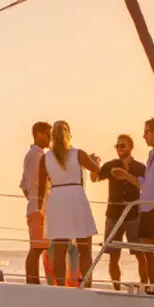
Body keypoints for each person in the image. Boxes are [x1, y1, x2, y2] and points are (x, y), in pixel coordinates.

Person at [112, 117, 154, 290]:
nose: (144, 136)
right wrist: (126, 176)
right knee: (148, 252)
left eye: (146, 132)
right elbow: (146, 184)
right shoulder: (151, 155)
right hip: (146, 207)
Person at [37, 120, 100, 287]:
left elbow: (41, 187)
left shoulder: (45, 158)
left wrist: (39, 209)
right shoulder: (78, 154)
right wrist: (96, 161)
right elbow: (96, 169)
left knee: (59, 250)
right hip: (76, 197)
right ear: (68, 135)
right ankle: (87, 285)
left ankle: (61, 287)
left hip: (57, 199)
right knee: (85, 248)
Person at [90, 134, 148, 290]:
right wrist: (93, 165)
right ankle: (116, 287)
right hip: (114, 214)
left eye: (122, 146)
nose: (119, 149)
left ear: (130, 147)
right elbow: (94, 178)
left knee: (140, 254)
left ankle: (145, 286)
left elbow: (148, 187)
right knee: (113, 255)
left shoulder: (140, 168)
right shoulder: (110, 166)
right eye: (117, 146)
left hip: (133, 215)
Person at [20, 121, 52, 284]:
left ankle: (33, 281)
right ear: (39, 134)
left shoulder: (31, 155)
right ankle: (32, 282)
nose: (50, 138)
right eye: (48, 134)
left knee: (38, 248)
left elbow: (23, 185)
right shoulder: (37, 156)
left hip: (35, 206)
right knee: (37, 249)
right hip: (39, 208)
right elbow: (37, 182)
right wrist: (39, 203)